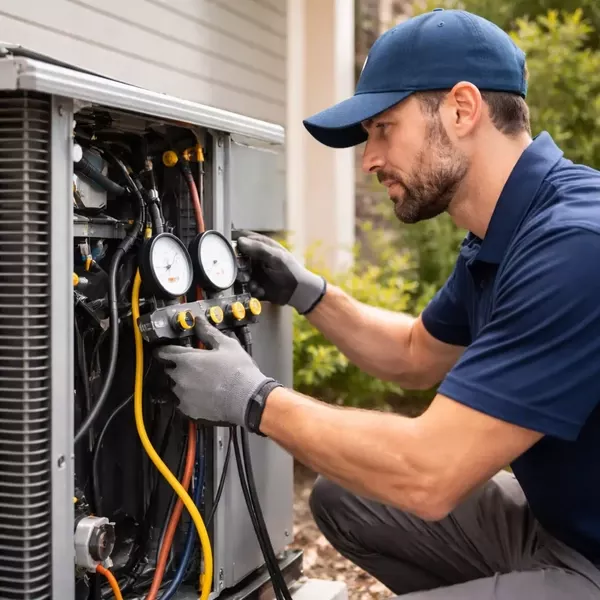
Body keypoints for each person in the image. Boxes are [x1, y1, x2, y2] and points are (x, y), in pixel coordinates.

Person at [155, 8, 600, 599]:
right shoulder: (504, 233)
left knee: (404, 482)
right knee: (347, 497)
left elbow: (431, 473)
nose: (369, 160)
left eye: (383, 128)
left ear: (462, 110)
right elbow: (418, 352)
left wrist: (255, 400)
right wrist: (311, 293)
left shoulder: (574, 245)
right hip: (561, 528)